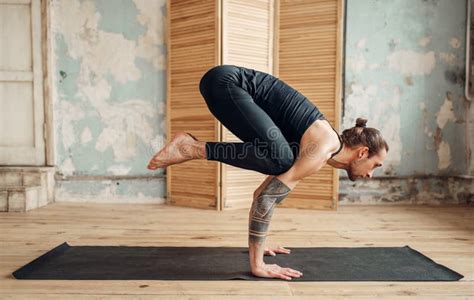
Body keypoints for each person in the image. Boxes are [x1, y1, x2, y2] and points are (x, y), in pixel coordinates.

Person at [147, 64, 389, 280]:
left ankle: (191, 147)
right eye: (375, 165)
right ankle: (190, 147)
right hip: (226, 83)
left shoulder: (320, 146)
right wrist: (258, 265)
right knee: (281, 160)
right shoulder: (323, 148)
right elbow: (266, 199)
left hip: (218, 84)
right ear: (362, 152)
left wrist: (260, 245)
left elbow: (262, 193)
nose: (371, 174)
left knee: (281, 160)